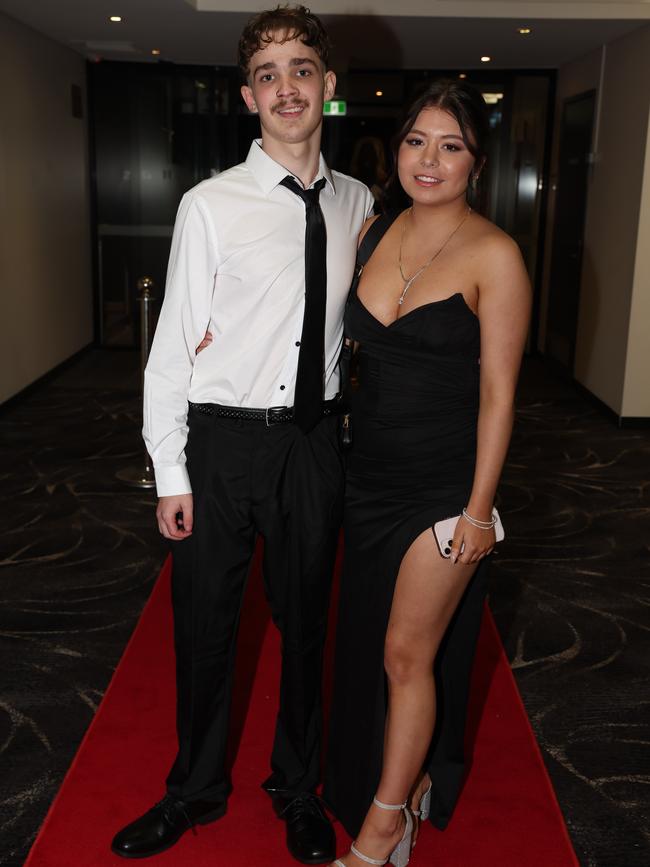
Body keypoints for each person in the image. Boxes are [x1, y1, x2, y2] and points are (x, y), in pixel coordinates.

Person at [110, 5, 374, 863]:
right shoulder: (210, 205)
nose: (286, 86)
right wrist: (171, 473)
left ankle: (297, 789)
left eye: (302, 69)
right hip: (221, 445)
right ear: (248, 97)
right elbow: (170, 349)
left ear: (328, 88)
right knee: (205, 627)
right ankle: (194, 791)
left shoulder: (359, 202)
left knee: (306, 628)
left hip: (311, 443)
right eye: (268, 75)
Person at [323, 79, 531, 866]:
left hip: (443, 489)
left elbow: (500, 395)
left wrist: (479, 510)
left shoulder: (495, 253)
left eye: (451, 145)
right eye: (417, 141)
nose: (430, 159)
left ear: (477, 161)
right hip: (365, 477)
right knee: (373, 641)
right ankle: (409, 781)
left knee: (405, 654)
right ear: (398, 148)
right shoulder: (376, 231)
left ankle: (384, 826)